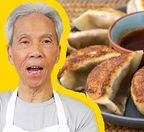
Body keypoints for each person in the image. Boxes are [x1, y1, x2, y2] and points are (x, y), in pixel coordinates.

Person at [0, 2, 98, 132]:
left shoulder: (81, 115)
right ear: (10, 54)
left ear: (58, 52)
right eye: (25, 41)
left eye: (46, 41)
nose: (36, 52)